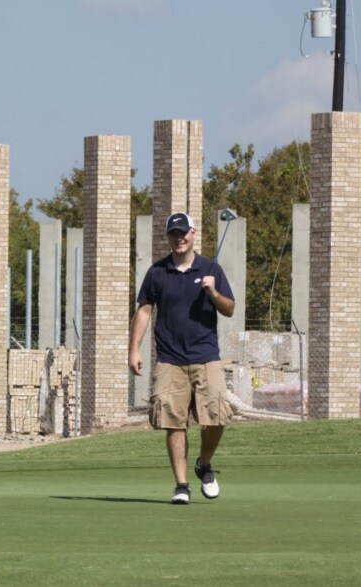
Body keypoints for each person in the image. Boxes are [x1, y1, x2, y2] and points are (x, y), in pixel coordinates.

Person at [128, 212, 235, 505]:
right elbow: (145, 310)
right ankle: (182, 485)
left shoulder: (211, 268)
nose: (179, 238)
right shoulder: (157, 272)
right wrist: (134, 349)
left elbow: (229, 309)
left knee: (216, 418)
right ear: (168, 237)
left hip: (206, 356)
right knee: (174, 422)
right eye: (174, 234)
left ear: (193, 233)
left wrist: (213, 291)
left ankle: (204, 463)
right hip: (169, 359)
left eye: (183, 232)